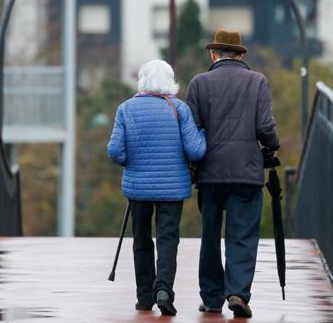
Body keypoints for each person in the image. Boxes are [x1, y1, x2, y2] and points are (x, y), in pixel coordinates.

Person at [186, 30, 280, 318]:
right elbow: (265, 126)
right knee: (242, 235)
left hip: (210, 173)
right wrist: (273, 145)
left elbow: (190, 132)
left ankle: (212, 297)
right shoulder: (257, 81)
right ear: (240, 54)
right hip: (246, 171)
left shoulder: (198, 83)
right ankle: (238, 292)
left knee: (210, 235)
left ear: (214, 54)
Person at [107, 60, 207, 316]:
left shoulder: (126, 109)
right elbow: (196, 150)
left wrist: (133, 162)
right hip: (172, 189)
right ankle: (163, 290)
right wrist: (204, 133)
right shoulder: (179, 108)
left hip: (138, 188)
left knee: (141, 239)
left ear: (142, 80)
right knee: (167, 238)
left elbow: (115, 152)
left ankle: (143, 297)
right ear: (170, 81)